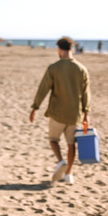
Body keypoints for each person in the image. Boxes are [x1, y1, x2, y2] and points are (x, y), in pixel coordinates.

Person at [30, 36, 90, 185]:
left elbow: (43, 89)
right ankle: (69, 174)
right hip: (75, 114)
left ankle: (60, 160)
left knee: (53, 140)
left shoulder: (54, 68)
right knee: (71, 144)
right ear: (72, 49)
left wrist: (35, 107)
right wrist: (86, 113)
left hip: (57, 113)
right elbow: (86, 93)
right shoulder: (81, 69)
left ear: (59, 49)